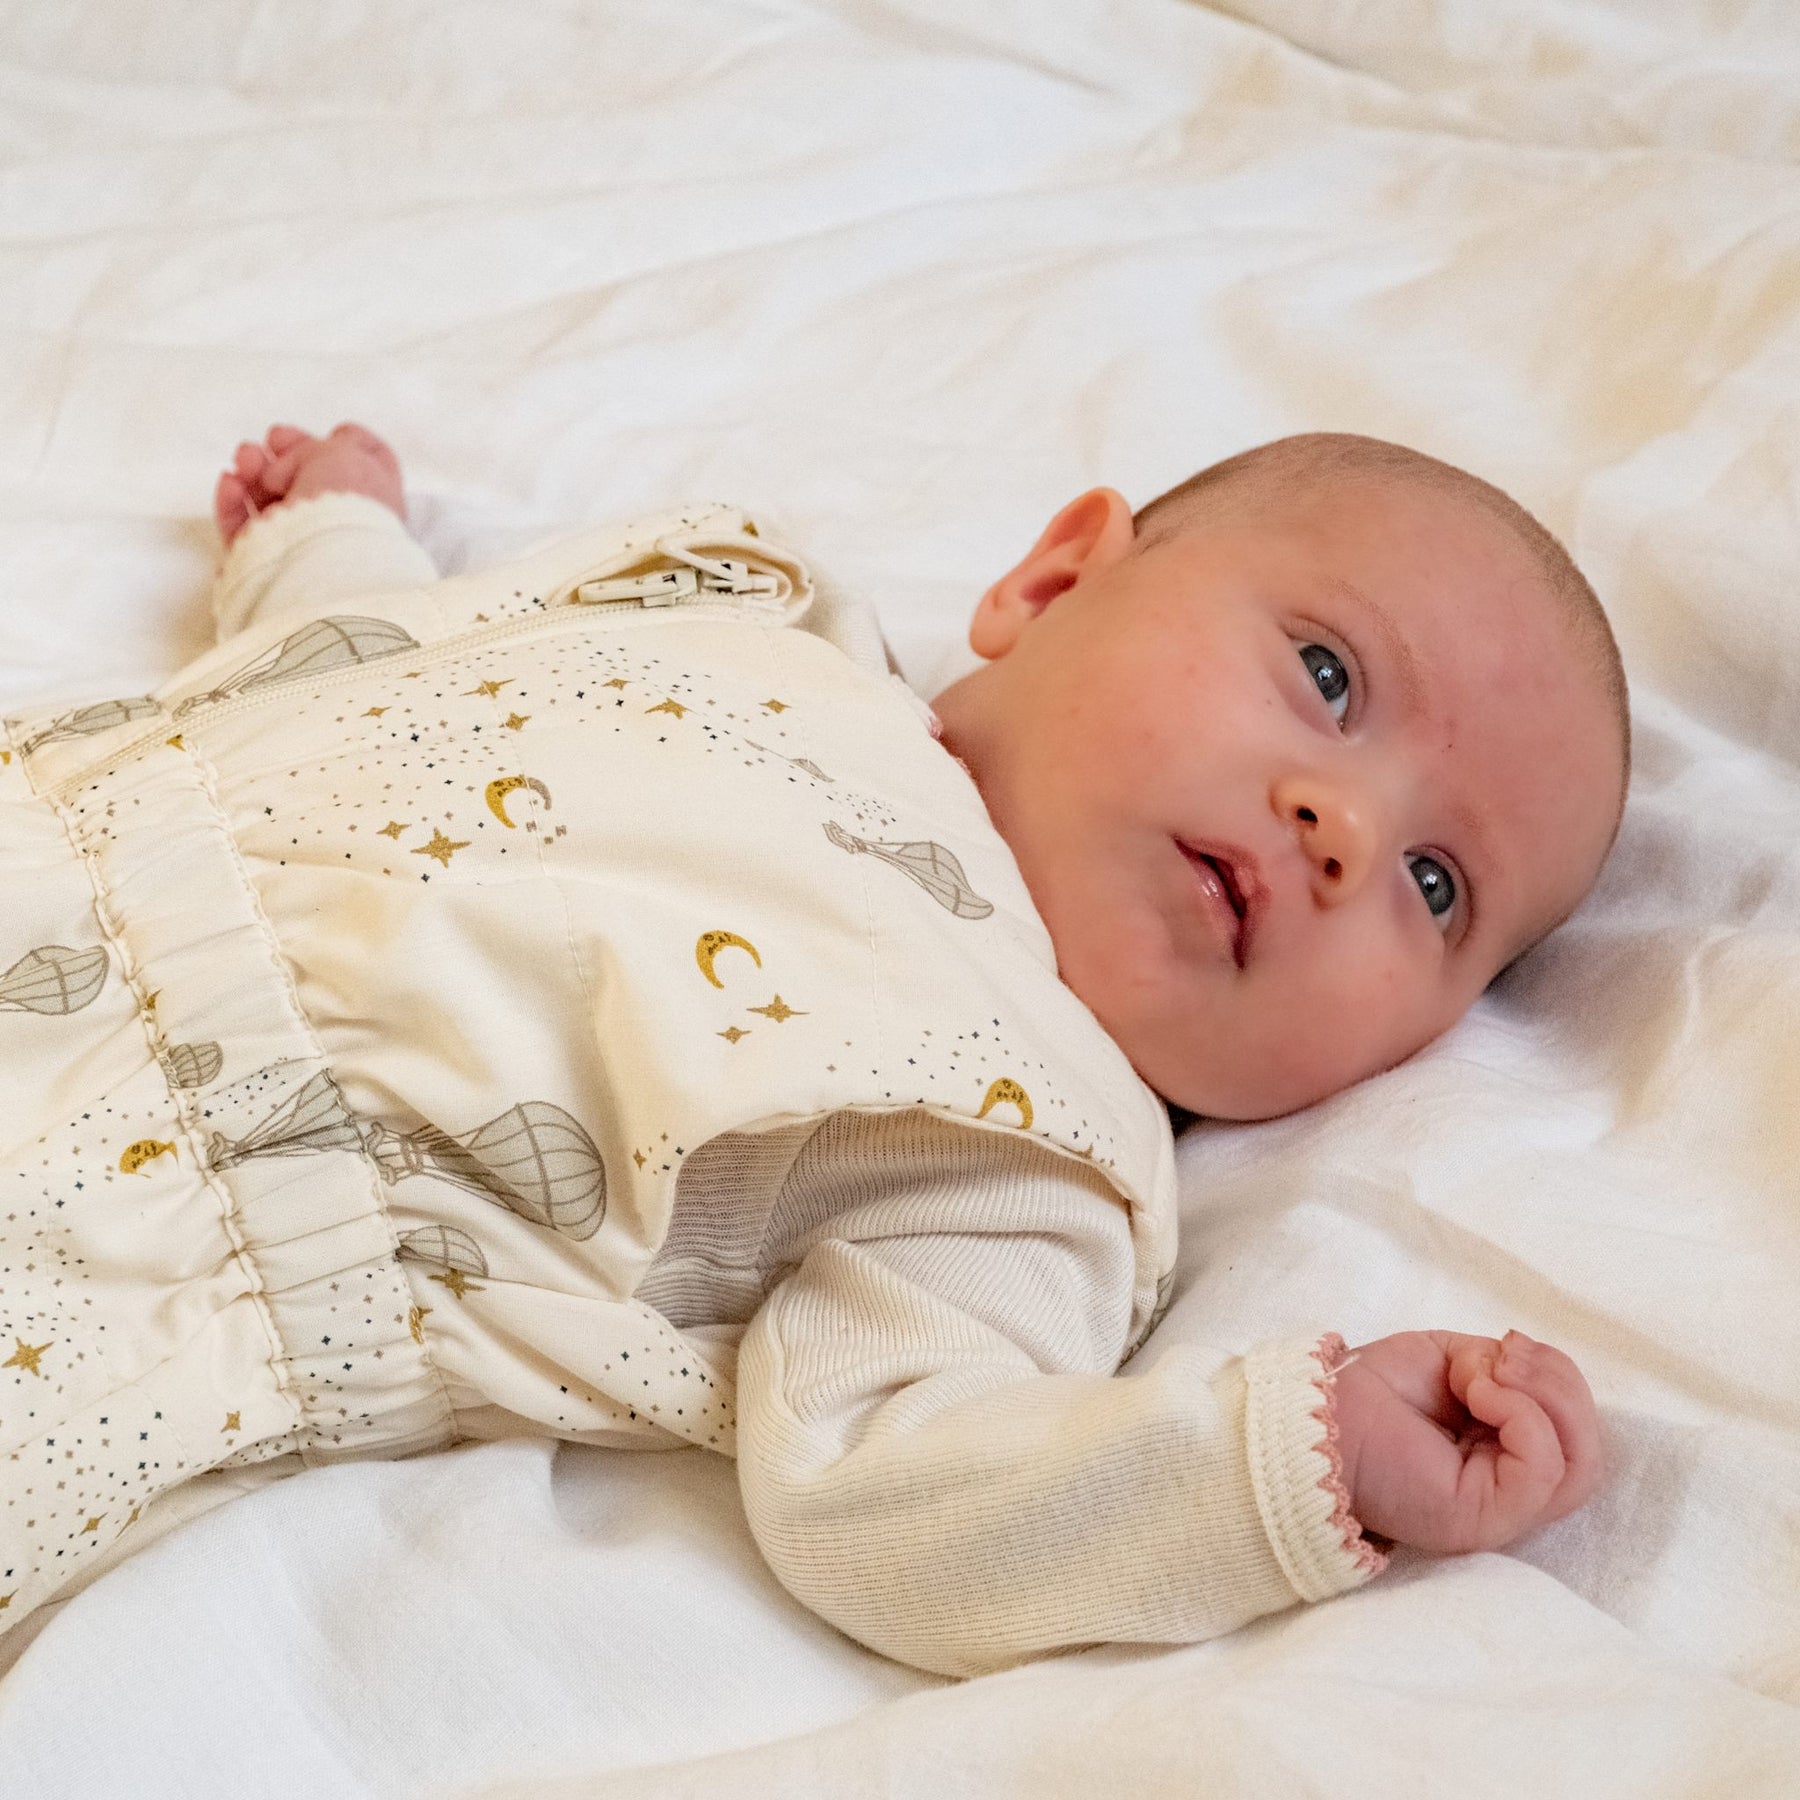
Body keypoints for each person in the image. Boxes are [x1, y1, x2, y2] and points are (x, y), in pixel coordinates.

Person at [0, 421, 1621, 1678]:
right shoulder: (768, 618)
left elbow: (893, 1486)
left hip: (95, 1243)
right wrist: (329, 548)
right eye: (1328, 676)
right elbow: (427, 684)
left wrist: (1297, 1459)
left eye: (1436, 885)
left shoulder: (1026, 1153)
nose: (1346, 828)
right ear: (1056, 583)